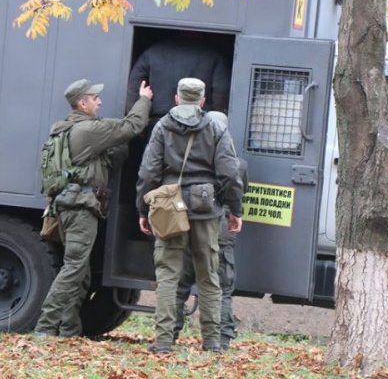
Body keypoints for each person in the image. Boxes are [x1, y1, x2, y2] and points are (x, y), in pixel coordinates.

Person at [34, 79, 153, 337]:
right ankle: (45, 327)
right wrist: (144, 99)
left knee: (81, 272)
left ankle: (69, 329)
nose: (99, 102)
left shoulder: (64, 131)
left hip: (68, 207)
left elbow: (111, 160)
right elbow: (131, 125)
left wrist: (119, 142)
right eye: (94, 98)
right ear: (82, 103)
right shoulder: (87, 130)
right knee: (74, 268)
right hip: (80, 208)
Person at [136, 78, 244, 354]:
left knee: (168, 275)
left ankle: (162, 341)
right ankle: (212, 341)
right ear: (202, 101)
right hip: (206, 210)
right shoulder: (216, 128)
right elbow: (230, 173)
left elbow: (148, 172)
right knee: (209, 276)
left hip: (170, 207)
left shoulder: (162, 127)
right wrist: (235, 210)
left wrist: (143, 208)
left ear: (176, 98)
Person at [173, 111, 249, 351]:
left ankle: (168, 336)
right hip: (221, 229)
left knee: (180, 284)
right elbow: (238, 191)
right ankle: (221, 340)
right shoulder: (239, 164)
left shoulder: (191, 160)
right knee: (222, 286)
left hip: (191, 224)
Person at [125, 35, 230, 119]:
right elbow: (221, 92)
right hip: (198, 121)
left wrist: (136, 119)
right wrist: (217, 117)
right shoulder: (213, 55)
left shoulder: (152, 52)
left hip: (158, 119)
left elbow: (134, 87)